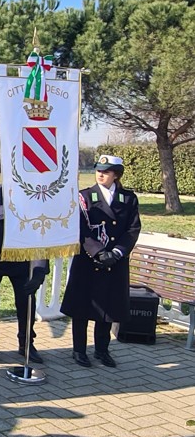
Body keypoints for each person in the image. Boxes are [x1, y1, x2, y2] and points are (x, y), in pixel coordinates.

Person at [61, 154, 142, 367]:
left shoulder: (128, 198)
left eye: (106, 171)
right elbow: (81, 229)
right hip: (89, 261)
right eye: (98, 170)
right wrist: (98, 252)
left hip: (114, 262)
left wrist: (116, 253)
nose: (100, 174)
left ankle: (102, 350)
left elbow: (133, 229)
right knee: (82, 308)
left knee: (107, 308)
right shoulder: (85, 197)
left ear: (116, 174)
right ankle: (79, 350)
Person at [0, 184, 48, 363]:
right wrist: (25, 210)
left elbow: (43, 234)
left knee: (26, 301)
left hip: (21, 258)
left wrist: (39, 271)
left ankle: (26, 343)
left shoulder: (39, 197)